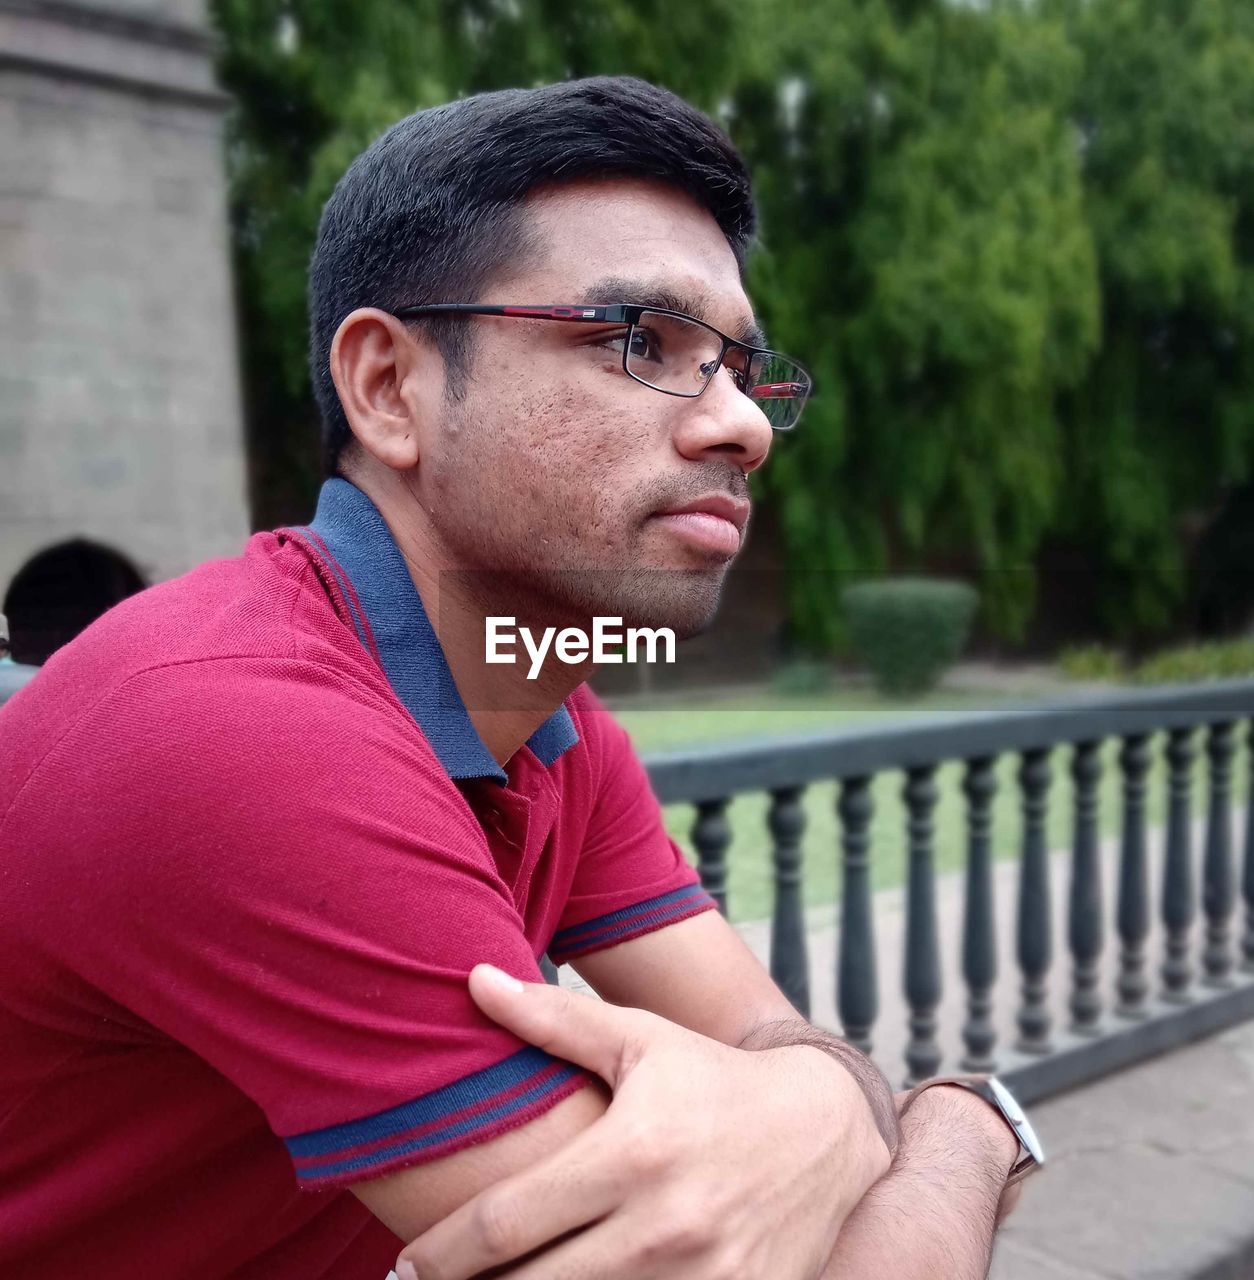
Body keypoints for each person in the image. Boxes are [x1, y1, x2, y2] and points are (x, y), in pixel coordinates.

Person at [0, 76, 1035, 1279]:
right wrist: (967, 1123)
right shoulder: (235, 729)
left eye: (741, 367)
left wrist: (807, 1087)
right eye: (639, 341)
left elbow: (762, 1028)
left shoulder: (547, 710)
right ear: (391, 386)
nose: (743, 424)